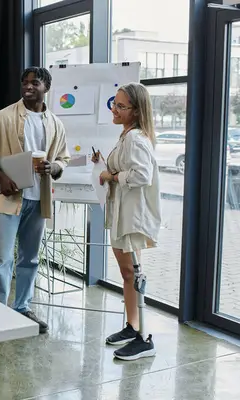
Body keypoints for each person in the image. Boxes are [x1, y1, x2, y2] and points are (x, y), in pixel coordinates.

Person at [0, 67, 70, 333]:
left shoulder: (55, 124)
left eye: (34, 82)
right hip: (9, 199)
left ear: (46, 87)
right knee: (2, 259)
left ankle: (22, 307)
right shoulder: (2, 118)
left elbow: (64, 158)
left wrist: (54, 168)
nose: (28, 86)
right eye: (24, 82)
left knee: (31, 258)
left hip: (39, 200)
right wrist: (0, 177)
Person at [92, 82, 161, 361]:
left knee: (133, 273)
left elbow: (141, 176)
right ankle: (133, 326)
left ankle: (144, 339)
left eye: (121, 106)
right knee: (127, 273)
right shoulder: (127, 135)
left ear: (136, 110)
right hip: (123, 214)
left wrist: (112, 176)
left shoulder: (135, 139)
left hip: (132, 217)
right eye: (114, 103)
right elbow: (125, 167)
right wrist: (105, 165)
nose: (115, 108)